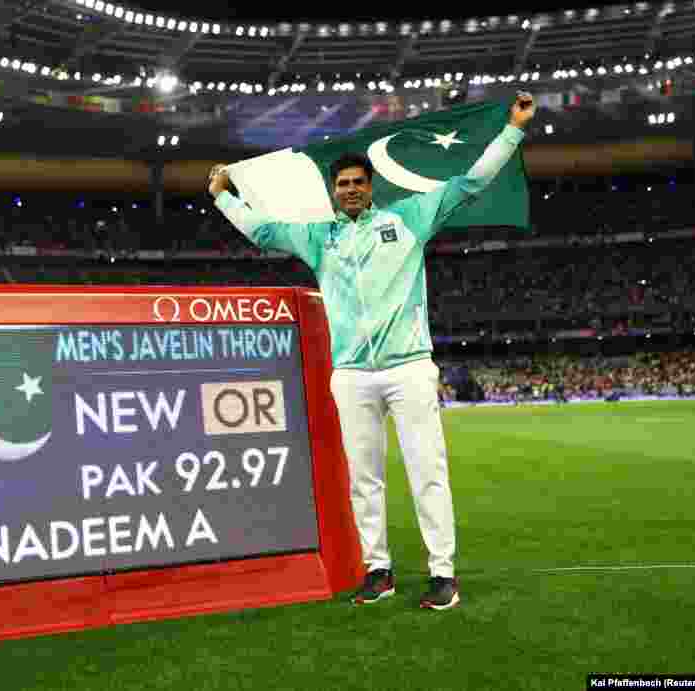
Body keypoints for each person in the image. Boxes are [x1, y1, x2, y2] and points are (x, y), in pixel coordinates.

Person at [208, 92, 536, 611]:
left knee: (427, 472)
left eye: (360, 182)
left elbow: (470, 182)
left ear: (371, 187)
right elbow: (263, 230)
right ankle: (377, 571)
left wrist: (513, 129)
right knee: (364, 480)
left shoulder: (411, 217)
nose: (352, 190)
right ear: (335, 193)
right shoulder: (319, 239)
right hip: (352, 376)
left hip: (408, 369)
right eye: (344, 185)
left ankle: (443, 575)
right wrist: (223, 195)